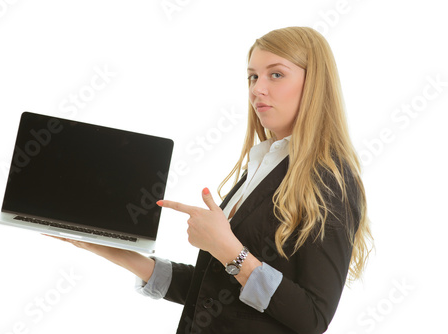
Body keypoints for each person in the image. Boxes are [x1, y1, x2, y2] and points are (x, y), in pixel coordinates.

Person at [50, 26, 373, 334]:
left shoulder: (331, 180)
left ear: (315, 83)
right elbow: (218, 291)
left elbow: (312, 318)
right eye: (252, 76)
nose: (257, 88)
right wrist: (113, 251)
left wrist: (230, 250)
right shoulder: (264, 166)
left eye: (276, 74)